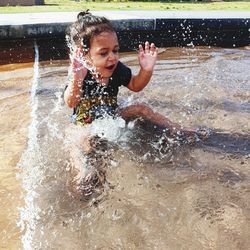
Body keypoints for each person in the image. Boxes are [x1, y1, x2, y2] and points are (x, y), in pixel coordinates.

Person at [64, 10, 204, 200]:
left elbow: (136, 85)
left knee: (141, 108)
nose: (112, 57)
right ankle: (83, 174)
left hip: (111, 117)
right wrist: (76, 80)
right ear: (85, 56)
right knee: (81, 143)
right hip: (84, 124)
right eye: (103, 53)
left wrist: (146, 70)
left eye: (115, 50)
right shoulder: (81, 74)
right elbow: (70, 102)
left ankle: (178, 130)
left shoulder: (117, 69)